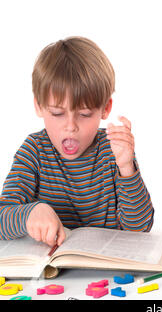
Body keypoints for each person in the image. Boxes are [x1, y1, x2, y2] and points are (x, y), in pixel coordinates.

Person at [0, 37, 154, 247]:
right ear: (38, 106)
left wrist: (127, 167)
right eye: (57, 113)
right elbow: (2, 217)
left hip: (106, 272)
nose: (70, 126)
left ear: (105, 109)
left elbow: (140, 228)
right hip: (50, 276)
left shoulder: (113, 152)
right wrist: (29, 213)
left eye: (84, 114)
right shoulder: (34, 151)